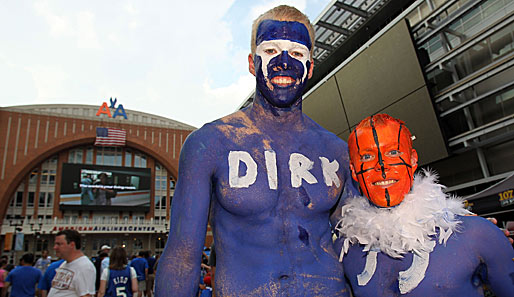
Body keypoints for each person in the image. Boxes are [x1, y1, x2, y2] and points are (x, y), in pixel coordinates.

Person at [155, 5, 358, 296]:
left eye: (298, 53)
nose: (284, 62)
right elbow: (182, 257)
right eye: (272, 51)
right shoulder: (210, 143)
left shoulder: (337, 151)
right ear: (252, 63)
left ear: (311, 67)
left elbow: (358, 248)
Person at [337, 113, 514, 296]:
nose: (382, 166)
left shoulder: (477, 233)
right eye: (367, 156)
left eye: (393, 152)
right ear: (354, 170)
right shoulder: (345, 252)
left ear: (413, 159)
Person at [48, 229, 96, 297]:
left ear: (72, 245)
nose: (55, 247)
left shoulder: (85, 267)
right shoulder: (64, 264)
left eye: (59, 244)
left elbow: (86, 295)